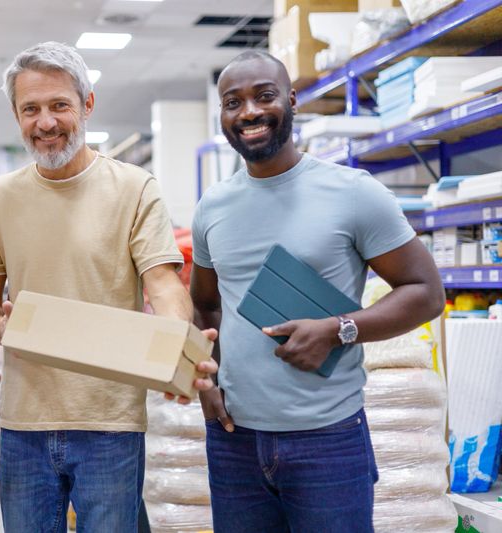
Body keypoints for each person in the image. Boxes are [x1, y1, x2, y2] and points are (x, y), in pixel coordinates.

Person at [0, 41, 217, 532]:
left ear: (87, 105)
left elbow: (163, 285)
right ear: (16, 115)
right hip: (23, 426)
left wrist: (175, 348)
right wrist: (5, 327)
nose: (46, 122)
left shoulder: (134, 187)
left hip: (110, 425)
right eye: (30, 109)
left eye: (59, 105)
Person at [191, 51, 445, 532]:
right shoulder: (213, 208)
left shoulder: (352, 193)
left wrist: (339, 329)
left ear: (290, 100)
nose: (248, 112)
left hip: (327, 440)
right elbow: (205, 304)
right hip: (234, 440)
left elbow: (426, 292)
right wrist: (207, 383)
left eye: (264, 96)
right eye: (232, 102)